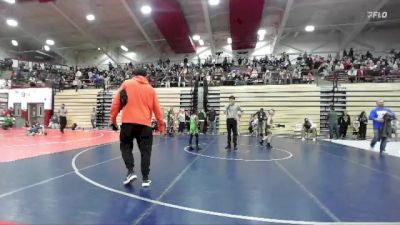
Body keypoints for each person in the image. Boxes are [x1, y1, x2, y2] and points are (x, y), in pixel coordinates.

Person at [110, 68, 165, 187]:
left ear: (133, 75)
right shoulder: (151, 89)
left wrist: (113, 120)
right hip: (145, 126)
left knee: (125, 147)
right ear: (147, 76)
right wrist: (161, 125)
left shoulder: (126, 83)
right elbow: (157, 109)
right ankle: (145, 179)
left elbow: (116, 103)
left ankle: (130, 171)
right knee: (146, 152)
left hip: (128, 123)